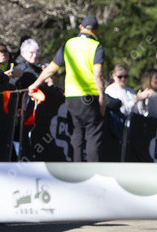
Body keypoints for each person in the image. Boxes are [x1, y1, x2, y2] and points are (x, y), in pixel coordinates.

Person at [28, 15, 106, 162]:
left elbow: (51, 69)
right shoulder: (96, 46)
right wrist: (102, 96)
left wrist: (35, 84)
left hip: (71, 97)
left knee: (75, 136)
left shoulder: (68, 44)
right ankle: (92, 171)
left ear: (80, 27)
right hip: (91, 96)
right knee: (93, 135)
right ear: (96, 30)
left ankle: (76, 170)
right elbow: (97, 73)